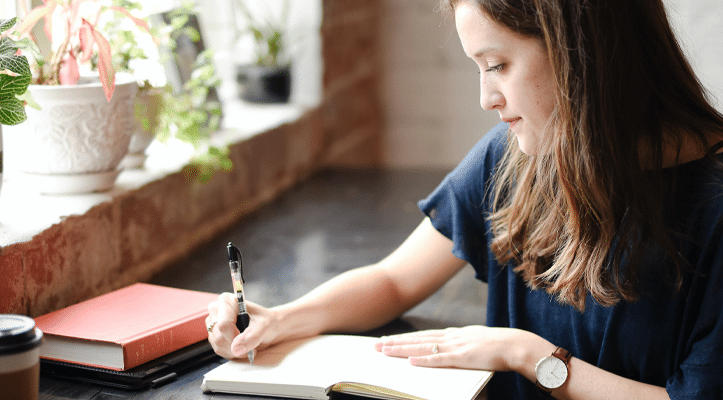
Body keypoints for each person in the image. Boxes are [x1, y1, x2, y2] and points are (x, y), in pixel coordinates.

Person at [207, 0, 723, 398]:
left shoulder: (714, 206)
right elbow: (393, 280)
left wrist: (529, 355)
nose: (486, 97)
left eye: (497, 65)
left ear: (582, 54)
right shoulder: (513, 156)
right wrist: (281, 319)